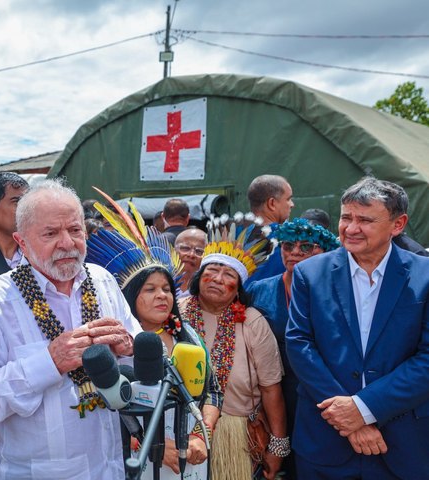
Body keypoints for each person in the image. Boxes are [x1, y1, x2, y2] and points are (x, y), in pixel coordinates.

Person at [0, 179, 139, 479]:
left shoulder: (103, 281)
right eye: (50, 233)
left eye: (75, 230)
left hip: (110, 469)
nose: (67, 242)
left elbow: (138, 357)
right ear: (21, 242)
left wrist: (129, 348)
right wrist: (48, 362)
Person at [286, 177, 429, 479]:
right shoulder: (310, 274)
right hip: (324, 442)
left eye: (365, 220)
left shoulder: (424, 276)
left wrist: (364, 408)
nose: (351, 229)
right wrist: (348, 418)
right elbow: (299, 344)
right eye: (346, 217)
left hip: (403, 443)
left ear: (398, 224)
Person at [85, 194, 222, 477]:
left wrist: (200, 433)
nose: (162, 296)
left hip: (192, 456)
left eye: (167, 289)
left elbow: (213, 391)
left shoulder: (189, 337)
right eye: (150, 290)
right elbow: (107, 408)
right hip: (138, 456)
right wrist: (156, 444)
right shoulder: (116, 346)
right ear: (131, 297)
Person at [180, 216, 287, 480]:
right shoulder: (177, 313)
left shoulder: (251, 321)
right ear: (199, 277)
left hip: (235, 434)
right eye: (211, 272)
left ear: (238, 289)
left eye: (228, 274)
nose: (217, 279)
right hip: (179, 427)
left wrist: (277, 445)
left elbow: (271, 388)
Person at [248, 218, 339, 480]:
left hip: (321, 393)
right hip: (273, 392)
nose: (295, 252)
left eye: (307, 247)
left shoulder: (336, 292)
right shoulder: (259, 290)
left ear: (325, 252)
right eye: (288, 245)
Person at [244, 175, 294, 287]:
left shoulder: (232, 240)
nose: (292, 204)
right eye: (288, 199)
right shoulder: (289, 238)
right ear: (271, 203)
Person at [174, 227, 207, 298]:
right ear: (174, 251)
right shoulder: (162, 279)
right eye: (185, 248)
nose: (191, 255)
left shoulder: (208, 287)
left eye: (199, 251)